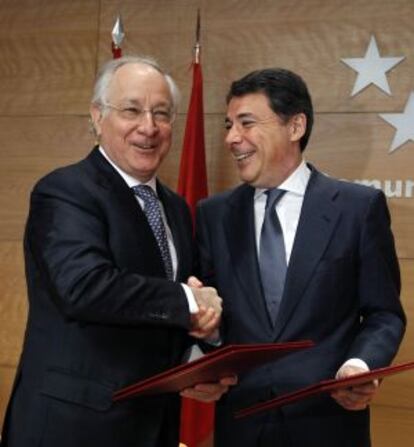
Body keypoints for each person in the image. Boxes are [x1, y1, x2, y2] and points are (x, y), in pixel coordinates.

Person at [1, 56, 233, 447]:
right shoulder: (65, 191)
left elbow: (160, 312)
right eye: (131, 110)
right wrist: (188, 300)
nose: (148, 127)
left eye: (161, 113)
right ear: (97, 116)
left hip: (152, 425)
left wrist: (197, 361)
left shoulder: (175, 208)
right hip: (71, 428)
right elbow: (84, 287)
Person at [195, 68, 406, 446]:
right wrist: (204, 336)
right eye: (229, 125)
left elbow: (384, 313)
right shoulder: (214, 214)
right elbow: (210, 319)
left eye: (246, 123)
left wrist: (359, 367)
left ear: (295, 127)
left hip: (328, 423)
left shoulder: (357, 208)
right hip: (242, 426)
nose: (231, 138)